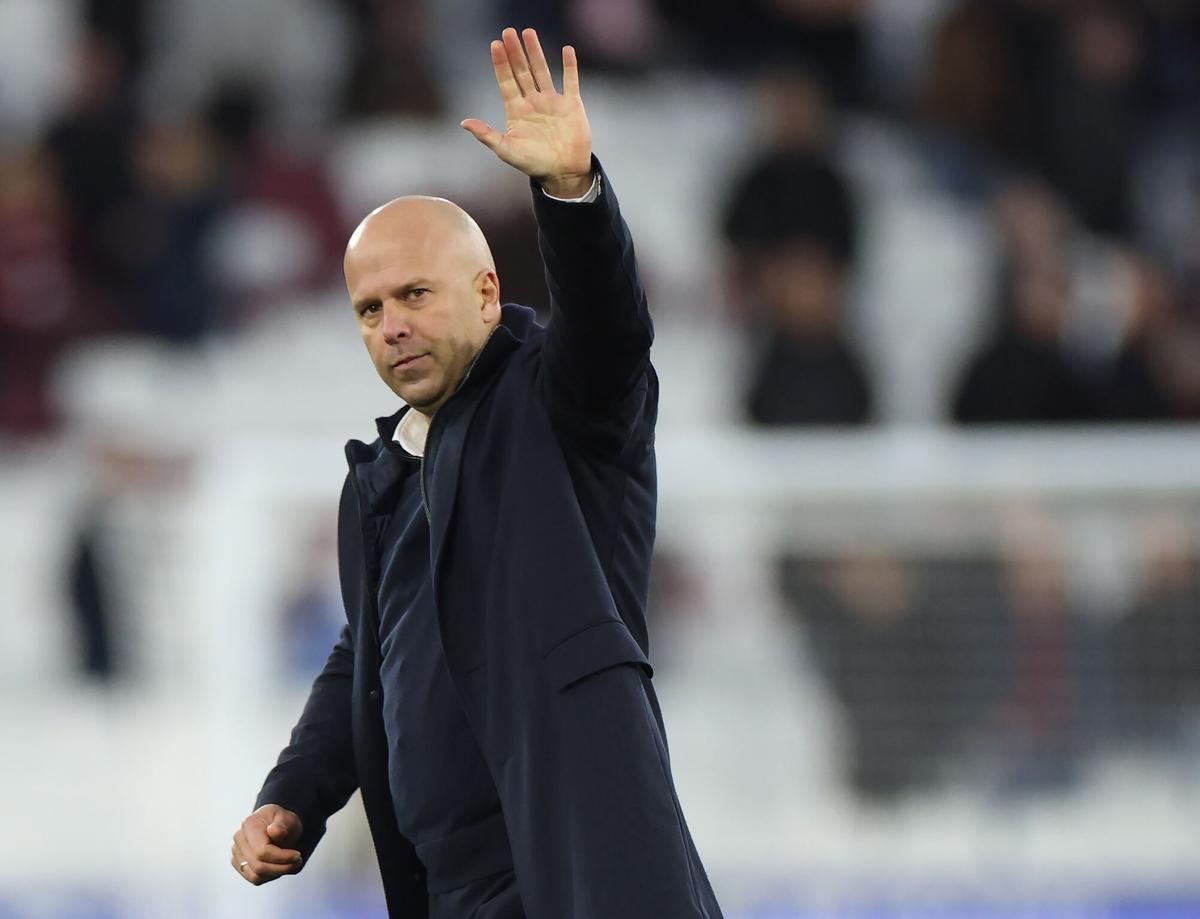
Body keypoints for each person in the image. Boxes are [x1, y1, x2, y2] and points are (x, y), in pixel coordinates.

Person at [229, 27, 724, 919]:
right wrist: (292, 792)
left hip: (577, 879)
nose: (392, 325)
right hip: (453, 896)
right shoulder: (380, 477)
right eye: (370, 309)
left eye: (416, 294)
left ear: (488, 293)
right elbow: (364, 658)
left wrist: (570, 194)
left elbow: (612, 334)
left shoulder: (557, 401)